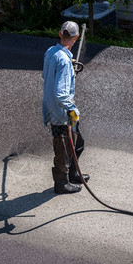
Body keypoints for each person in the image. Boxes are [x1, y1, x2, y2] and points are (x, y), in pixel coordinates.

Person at [42, 21, 90, 194]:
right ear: (76, 37)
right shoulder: (63, 60)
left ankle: (73, 173)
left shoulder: (51, 52)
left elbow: (46, 75)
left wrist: (70, 63)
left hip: (52, 106)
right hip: (61, 110)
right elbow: (61, 93)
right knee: (63, 146)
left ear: (60, 33)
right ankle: (61, 183)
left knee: (78, 142)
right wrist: (71, 109)